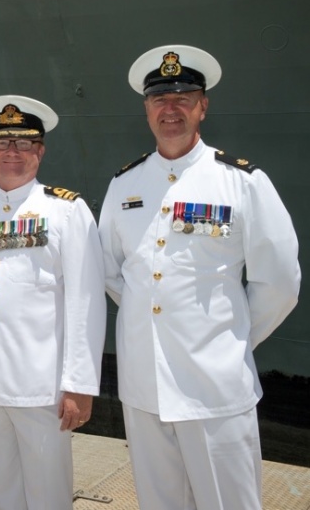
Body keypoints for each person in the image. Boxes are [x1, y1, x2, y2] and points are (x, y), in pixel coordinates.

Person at [98, 45, 301, 510]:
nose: (171, 109)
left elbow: (280, 282)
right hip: (144, 387)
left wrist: (227, 342)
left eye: (184, 97)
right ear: (146, 109)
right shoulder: (124, 185)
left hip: (216, 389)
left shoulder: (242, 182)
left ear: (202, 106)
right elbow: (112, 271)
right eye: (159, 100)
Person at [0, 95, 107, 509]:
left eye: (23, 143)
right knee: (1, 492)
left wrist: (80, 384)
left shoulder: (67, 212)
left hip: (43, 388)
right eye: (2, 143)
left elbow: (86, 300)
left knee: (48, 496)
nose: (12, 152)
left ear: (40, 151)